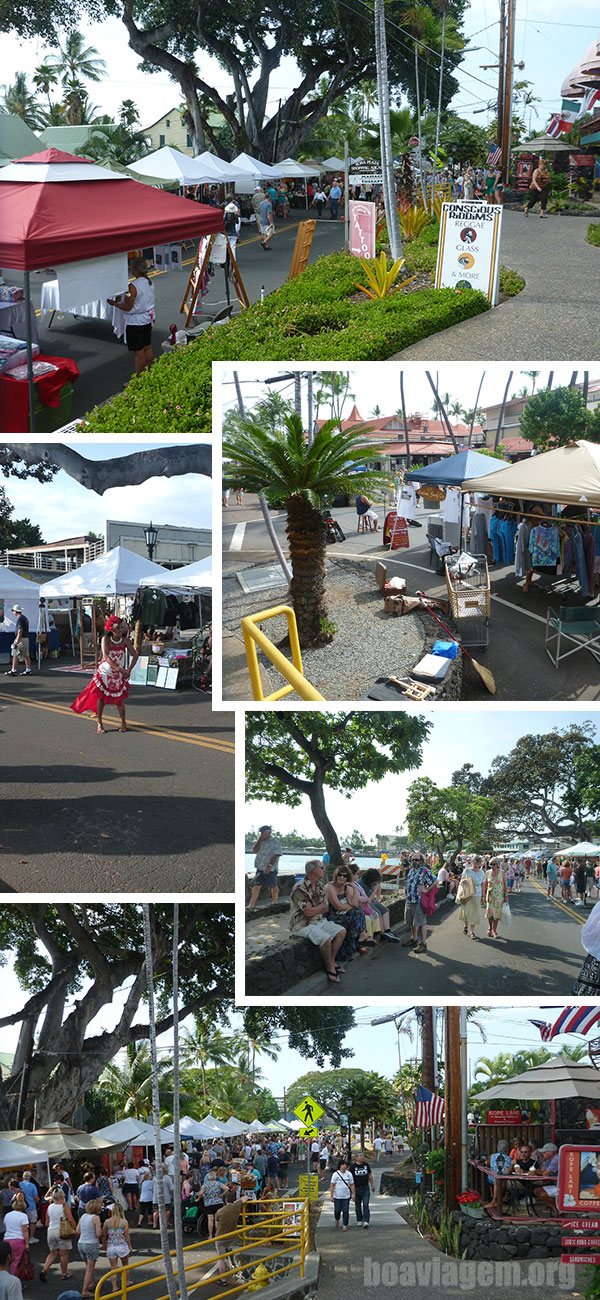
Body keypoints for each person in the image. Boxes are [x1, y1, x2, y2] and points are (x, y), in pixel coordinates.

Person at [70, 614, 138, 734]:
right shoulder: (105, 639)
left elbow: (135, 655)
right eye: (118, 628)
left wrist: (129, 669)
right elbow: (106, 657)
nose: (120, 630)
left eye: (122, 628)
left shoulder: (125, 641)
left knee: (120, 700)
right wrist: (120, 669)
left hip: (118, 675)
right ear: (111, 628)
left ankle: (123, 723)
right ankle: (100, 723)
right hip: (105, 673)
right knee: (101, 699)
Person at [289, 860, 346, 984]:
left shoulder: (319, 885)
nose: (324, 869)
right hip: (302, 924)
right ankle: (330, 966)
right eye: (322, 867)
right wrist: (318, 908)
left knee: (341, 931)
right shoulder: (299, 888)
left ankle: (331, 960)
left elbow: (325, 907)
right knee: (326, 939)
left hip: (319, 920)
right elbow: (307, 913)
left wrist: (315, 908)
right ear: (313, 870)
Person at [107, 258, 156, 374]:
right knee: (147, 347)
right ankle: (150, 372)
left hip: (135, 322)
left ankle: (139, 378)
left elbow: (127, 307)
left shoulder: (132, 286)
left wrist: (115, 304)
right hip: (147, 319)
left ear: (135, 269)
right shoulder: (149, 281)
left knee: (138, 352)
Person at [325, 865, 371, 961]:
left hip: (344, 913)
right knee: (353, 916)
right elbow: (338, 907)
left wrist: (354, 888)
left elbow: (354, 903)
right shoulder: (330, 887)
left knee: (357, 912)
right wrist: (349, 906)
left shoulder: (348, 887)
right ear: (335, 875)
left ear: (348, 878)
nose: (341, 877)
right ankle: (358, 942)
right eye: (339, 875)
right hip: (332, 915)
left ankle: (354, 944)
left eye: (344, 876)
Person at [40, 1190, 77, 1283]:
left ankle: (44, 1270)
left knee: (53, 1253)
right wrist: (75, 1228)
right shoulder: (64, 1207)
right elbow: (71, 1219)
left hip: (51, 1231)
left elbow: (47, 1222)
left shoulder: (50, 1207)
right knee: (64, 1254)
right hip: (61, 1231)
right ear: (62, 1198)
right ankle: (64, 1274)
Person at [402, 856, 435, 954]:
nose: (414, 861)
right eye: (412, 860)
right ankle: (414, 939)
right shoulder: (411, 871)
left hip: (419, 901)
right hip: (409, 900)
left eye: (417, 860)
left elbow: (436, 881)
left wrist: (427, 889)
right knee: (411, 922)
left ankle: (423, 944)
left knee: (421, 923)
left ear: (421, 861)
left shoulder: (425, 871)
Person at [248, 826, 282, 908]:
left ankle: (274, 903)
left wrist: (269, 866)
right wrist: (259, 840)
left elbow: (276, 855)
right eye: (261, 832)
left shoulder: (275, 842)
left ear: (269, 833)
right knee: (256, 886)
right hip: (260, 868)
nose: (261, 834)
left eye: (263, 832)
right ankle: (251, 905)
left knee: (273, 886)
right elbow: (254, 850)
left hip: (271, 869)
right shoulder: (260, 841)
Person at [102, 1202, 131, 1293]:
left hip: (111, 1246)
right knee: (125, 1266)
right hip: (122, 1246)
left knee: (113, 1268)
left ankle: (114, 1287)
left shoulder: (107, 1221)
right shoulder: (124, 1222)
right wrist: (129, 1245)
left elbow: (104, 1235)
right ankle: (126, 1282)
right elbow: (127, 1236)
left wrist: (104, 1245)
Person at [76, 1197, 102, 1298]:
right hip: (91, 1244)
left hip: (81, 1243)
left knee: (87, 1266)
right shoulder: (96, 1218)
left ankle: (90, 1283)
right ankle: (85, 1290)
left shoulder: (83, 1216)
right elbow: (98, 1233)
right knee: (90, 1269)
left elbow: (78, 1231)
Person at [457, 855, 486, 941]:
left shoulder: (482, 873)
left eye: (477, 863)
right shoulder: (467, 870)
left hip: (477, 894)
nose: (475, 865)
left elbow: (483, 885)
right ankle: (466, 925)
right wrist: (464, 881)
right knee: (466, 912)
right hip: (467, 894)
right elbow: (461, 881)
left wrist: (483, 896)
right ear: (472, 862)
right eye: (474, 862)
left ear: (480, 863)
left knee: (474, 913)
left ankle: (472, 931)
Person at [214, 1191, 243, 1277]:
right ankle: (234, 1267)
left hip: (220, 1237)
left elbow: (216, 1225)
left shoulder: (219, 1211)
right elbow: (244, 1198)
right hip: (231, 1236)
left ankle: (223, 1279)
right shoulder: (237, 1206)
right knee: (228, 1249)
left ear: (225, 1200)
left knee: (221, 1259)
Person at [482, 857, 508, 939]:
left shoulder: (502, 872)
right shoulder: (487, 872)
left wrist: (506, 895)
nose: (492, 866)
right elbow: (485, 884)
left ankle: (494, 930)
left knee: (496, 914)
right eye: (490, 864)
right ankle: (490, 927)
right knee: (490, 914)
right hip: (490, 896)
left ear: (497, 865)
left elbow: (504, 884)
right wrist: (483, 895)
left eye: (494, 864)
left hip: (499, 896)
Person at [3, 1196, 29, 1277]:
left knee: (7, 1261)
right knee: (16, 1261)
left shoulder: (7, 1215)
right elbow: (24, 1231)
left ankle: (6, 1278)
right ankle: (13, 1279)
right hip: (18, 1240)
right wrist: (27, 1243)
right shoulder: (23, 1216)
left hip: (7, 1239)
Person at [484, 1140, 513, 1210]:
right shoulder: (509, 1159)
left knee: (497, 1181)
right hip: (501, 1180)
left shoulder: (492, 1156)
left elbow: (486, 1164)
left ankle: (495, 1200)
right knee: (500, 1181)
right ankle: (497, 1200)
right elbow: (509, 1171)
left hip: (491, 1178)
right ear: (507, 1149)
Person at [5, 606, 32, 677]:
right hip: (26, 638)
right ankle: (28, 670)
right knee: (26, 655)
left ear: (16, 611)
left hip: (21, 639)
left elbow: (20, 630)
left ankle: (14, 670)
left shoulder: (20, 619)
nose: (13, 612)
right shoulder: (24, 618)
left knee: (15, 654)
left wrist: (17, 640)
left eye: (13, 611)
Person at [349, 1152, 374, 1228]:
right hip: (356, 1188)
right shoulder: (353, 1167)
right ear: (356, 1157)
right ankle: (359, 1219)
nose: (362, 1157)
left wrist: (372, 1184)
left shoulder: (366, 1165)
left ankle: (366, 1221)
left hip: (365, 1187)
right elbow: (350, 1179)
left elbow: (369, 1175)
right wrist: (352, 1191)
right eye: (360, 1156)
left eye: (363, 1156)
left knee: (366, 1204)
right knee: (358, 1206)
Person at [200, 1168, 225, 1238]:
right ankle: (217, 1235)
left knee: (210, 1219)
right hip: (218, 1202)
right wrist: (222, 1195)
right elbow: (227, 1188)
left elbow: (201, 1193)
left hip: (209, 1203)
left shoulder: (205, 1185)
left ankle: (210, 1235)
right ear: (215, 1177)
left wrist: (200, 1196)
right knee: (216, 1220)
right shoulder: (218, 1183)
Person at [533, 1143, 559, 1207]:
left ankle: (558, 1208)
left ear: (551, 1152)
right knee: (537, 1190)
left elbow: (545, 1173)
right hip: (556, 1184)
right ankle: (557, 1209)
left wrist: (535, 1172)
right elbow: (542, 1170)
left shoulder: (556, 1159)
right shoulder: (549, 1159)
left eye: (544, 1152)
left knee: (542, 1194)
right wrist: (533, 1172)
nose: (542, 1154)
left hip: (563, 1187)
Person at [330, 1161, 354, 1230]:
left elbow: (352, 1184)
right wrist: (331, 1195)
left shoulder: (349, 1174)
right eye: (342, 1165)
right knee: (337, 1211)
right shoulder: (335, 1174)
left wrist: (353, 1194)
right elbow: (332, 1185)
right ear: (339, 1166)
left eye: (345, 1165)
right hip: (337, 1196)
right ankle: (337, 1219)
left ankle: (345, 1224)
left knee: (346, 1210)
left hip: (346, 1196)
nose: (344, 1166)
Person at [18, 1172, 39, 1242]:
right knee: (33, 1222)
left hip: (21, 1207)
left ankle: (23, 1237)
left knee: (23, 1223)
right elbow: (36, 1197)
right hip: (31, 1206)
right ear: (30, 1177)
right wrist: (38, 1201)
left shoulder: (19, 1184)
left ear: (23, 1177)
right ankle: (31, 1237)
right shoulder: (32, 1186)